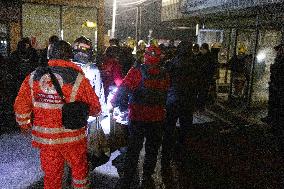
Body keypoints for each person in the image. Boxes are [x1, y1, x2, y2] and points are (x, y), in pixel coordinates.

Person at [14, 40, 101, 189]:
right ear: (69, 56)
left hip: (47, 141)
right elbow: (95, 108)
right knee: (79, 173)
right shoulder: (78, 79)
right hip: (73, 139)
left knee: (52, 176)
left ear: (49, 54)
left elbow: (21, 105)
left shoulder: (34, 76)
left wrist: (24, 124)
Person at [112, 45, 170, 189]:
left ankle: (128, 177)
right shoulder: (164, 73)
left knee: (133, 149)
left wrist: (115, 103)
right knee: (152, 149)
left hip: (138, 117)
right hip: (157, 119)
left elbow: (123, 89)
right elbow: (166, 92)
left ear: (145, 56)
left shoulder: (137, 71)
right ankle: (147, 176)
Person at [161, 40, 202, 188]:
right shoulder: (194, 63)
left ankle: (166, 153)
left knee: (169, 126)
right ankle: (182, 151)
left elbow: (166, 80)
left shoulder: (172, 63)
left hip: (172, 99)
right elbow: (198, 81)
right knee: (185, 126)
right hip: (188, 100)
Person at [72, 36, 106, 114]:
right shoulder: (93, 69)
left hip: (67, 108)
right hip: (86, 109)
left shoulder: (66, 66)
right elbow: (98, 92)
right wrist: (102, 111)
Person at [267, 43, 284, 156]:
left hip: (279, 89)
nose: (277, 52)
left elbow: (278, 73)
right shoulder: (279, 60)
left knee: (279, 115)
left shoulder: (280, 62)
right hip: (276, 88)